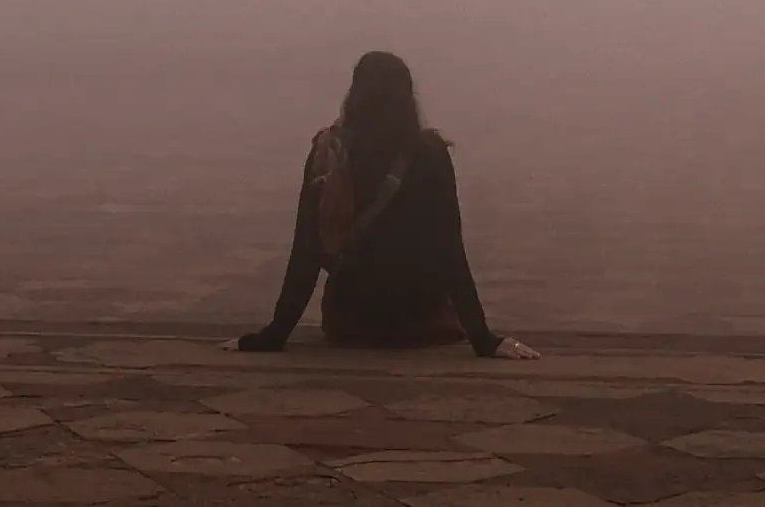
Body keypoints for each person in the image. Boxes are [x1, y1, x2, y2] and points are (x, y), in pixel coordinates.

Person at [225, 50, 538, 358]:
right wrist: (484, 340)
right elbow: (450, 253)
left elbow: (305, 254)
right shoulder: (430, 154)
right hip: (421, 325)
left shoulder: (329, 153)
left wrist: (272, 336)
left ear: (354, 94)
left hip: (350, 323)